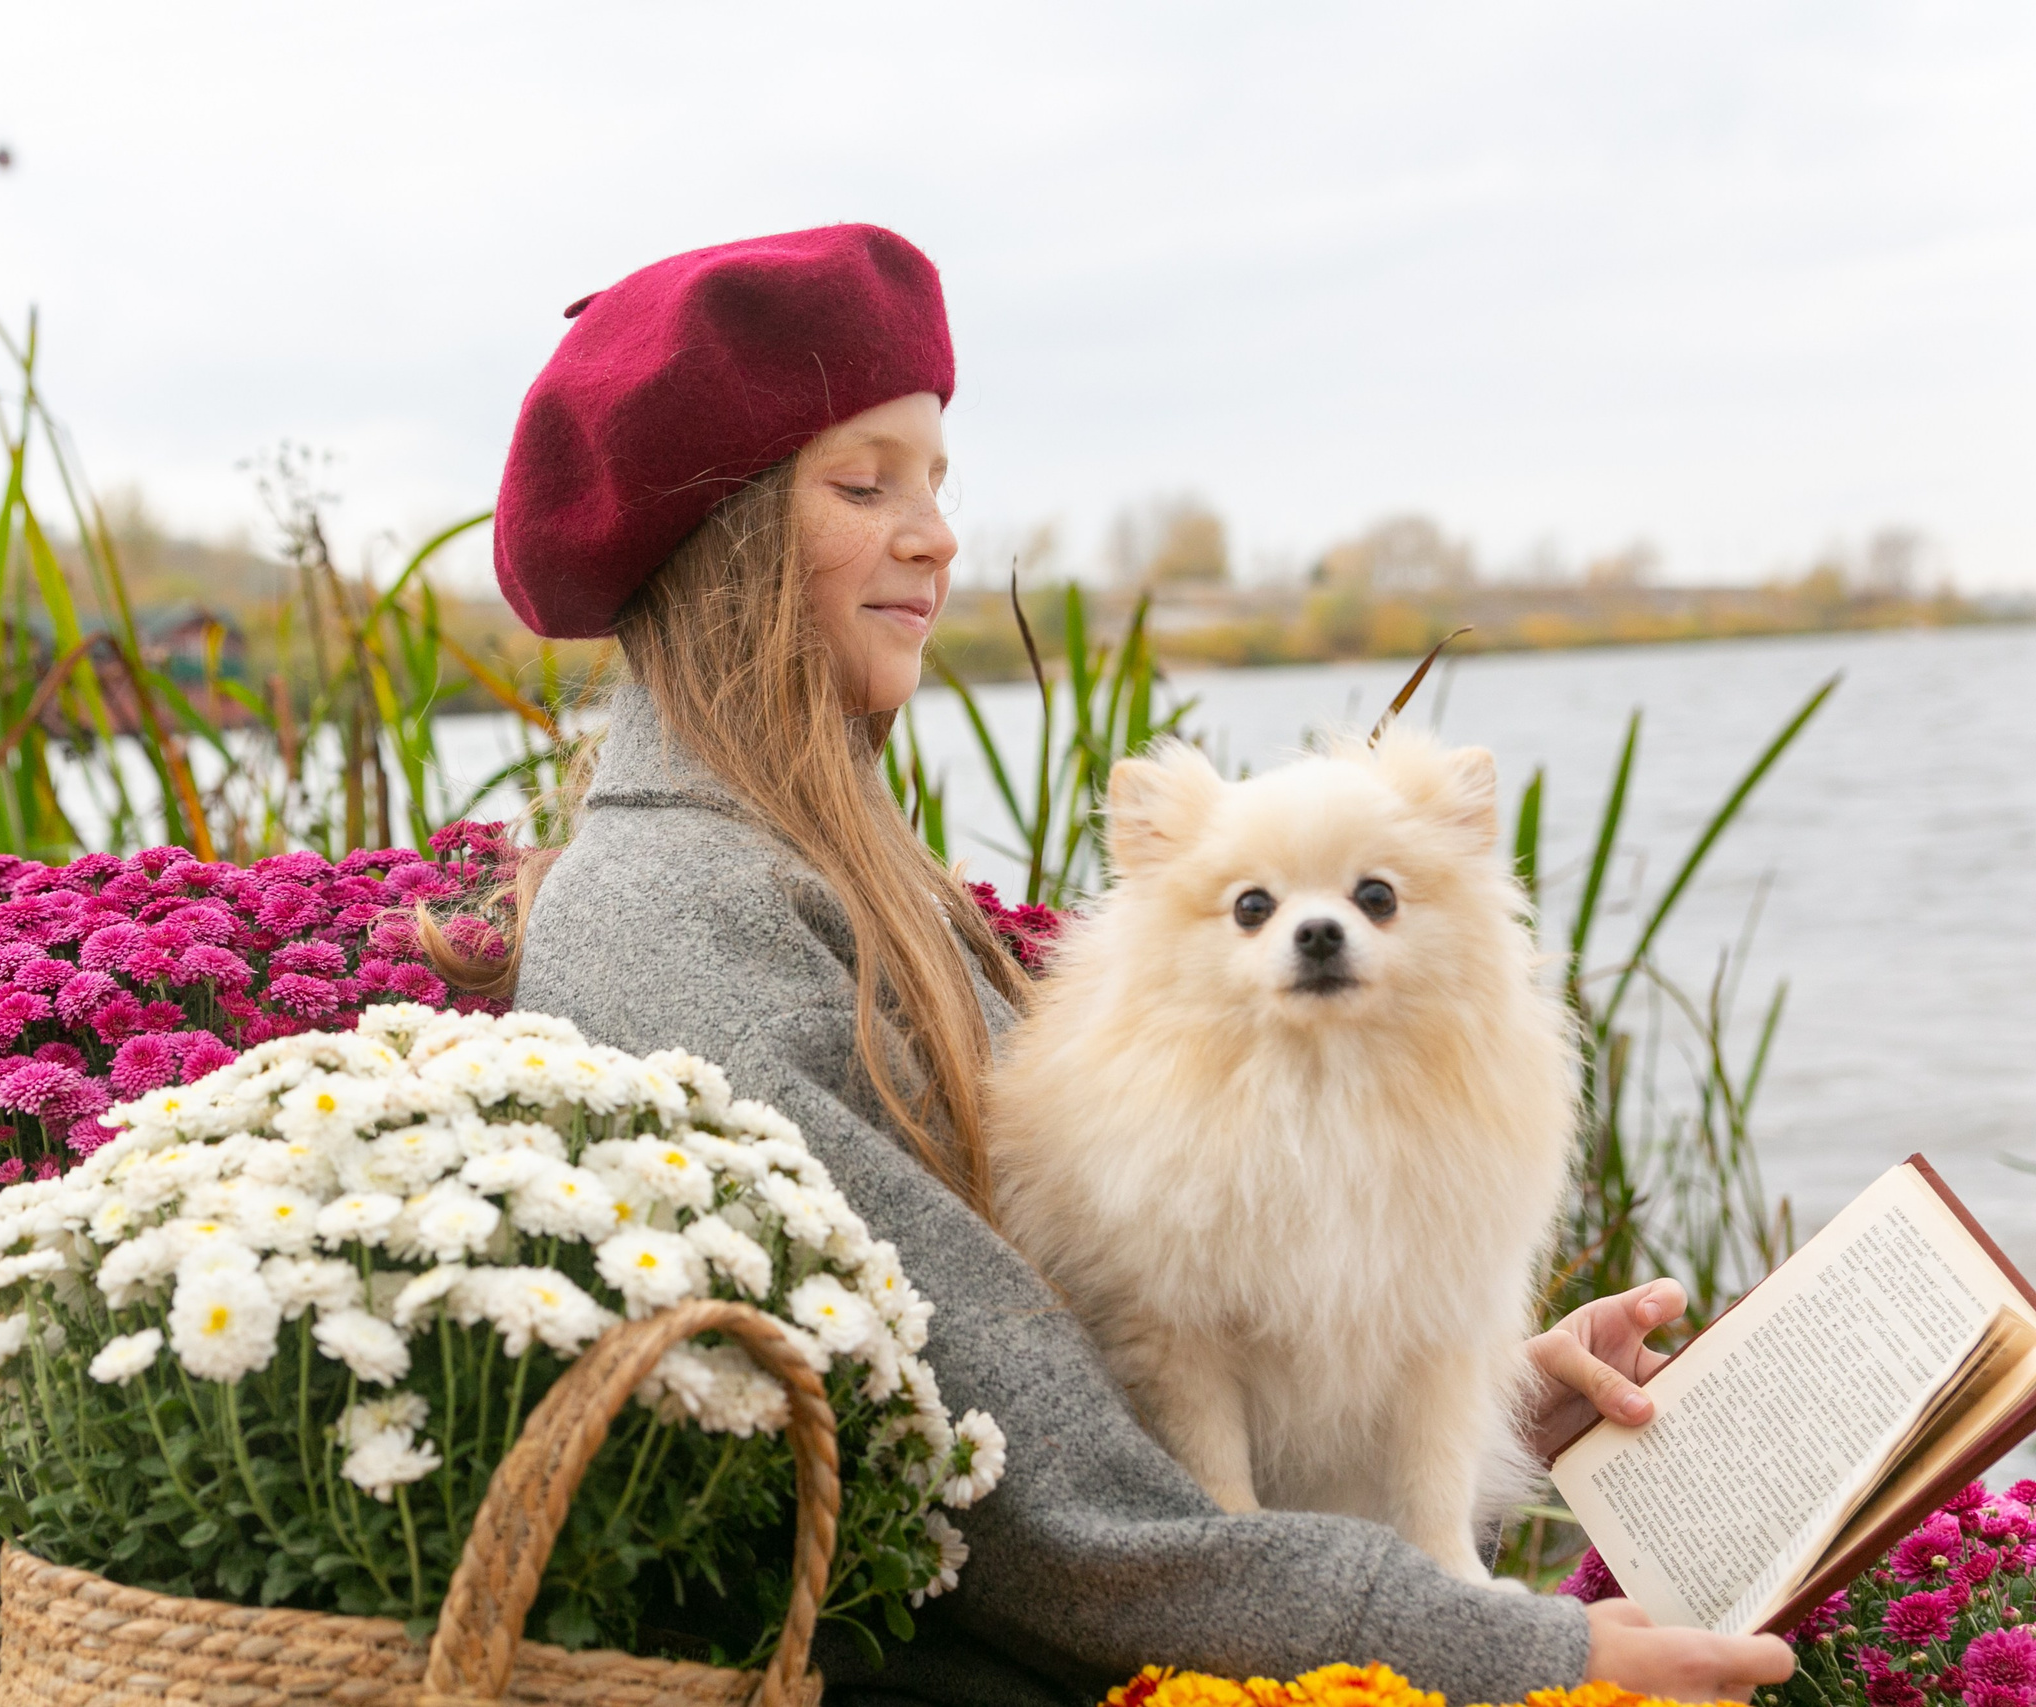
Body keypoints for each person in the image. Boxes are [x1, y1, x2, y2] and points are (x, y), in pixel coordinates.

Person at [476, 225, 1794, 1705]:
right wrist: (1506, 1646)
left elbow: (1102, 1381)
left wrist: (1485, 1394)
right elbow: (1036, 1498)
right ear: (716, 539)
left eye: (936, 486)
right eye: (865, 485)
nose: (938, 538)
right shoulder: (677, 916)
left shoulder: (819, 869)